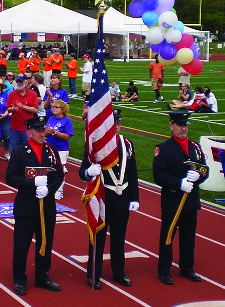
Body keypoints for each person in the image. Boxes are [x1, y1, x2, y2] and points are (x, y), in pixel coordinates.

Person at [79, 108, 139, 289]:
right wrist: (88, 172)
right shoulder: (96, 147)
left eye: (118, 124)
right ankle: (94, 273)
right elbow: (82, 171)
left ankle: (118, 271)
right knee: (98, 237)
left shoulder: (127, 144)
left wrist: (134, 197)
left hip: (123, 197)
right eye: (112, 124)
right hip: (104, 197)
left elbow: (133, 173)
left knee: (119, 237)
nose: (116, 127)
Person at [6, 116, 65, 296]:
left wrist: (50, 189)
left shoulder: (52, 150)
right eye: (38, 131)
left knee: (45, 243)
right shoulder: (19, 152)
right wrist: (31, 183)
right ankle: (19, 278)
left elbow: (59, 175)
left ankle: (42, 276)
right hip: (26, 206)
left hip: (46, 205)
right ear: (29, 132)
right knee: (22, 244)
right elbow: (10, 177)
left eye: (43, 130)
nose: (42, 134)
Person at [153, 111, 209, 285]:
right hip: (172, 200)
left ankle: (187, 268)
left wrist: (198, 176)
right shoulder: (163, 148)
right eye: (179, 125)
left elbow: (204, 169)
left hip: (191, 200)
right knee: (168, 235)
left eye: (185, 126)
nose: (183, 129)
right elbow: (158, 175)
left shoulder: (195, 147)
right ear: (171, 126)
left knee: (188, 235)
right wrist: (179, 183)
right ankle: (164, 269)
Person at [45, 100, 73, 200]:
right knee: (49, 169)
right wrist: (47, 132)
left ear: (63, 109)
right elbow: (45, 133)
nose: (54, 108)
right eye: (53, 107)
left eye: (57, 107)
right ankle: (50, 188)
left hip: (61, 148)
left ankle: (59, 191)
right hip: (50, 147)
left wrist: (55, 132)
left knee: (60, 170)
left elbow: (67, 136)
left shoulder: (67, 121)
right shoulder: (51, 119)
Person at [7, 73, 39, 151]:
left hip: (27, 128)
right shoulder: (12, 93)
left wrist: (23, 107)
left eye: (20, 81)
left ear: (25, 82)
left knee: (27, 149)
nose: (18, 83)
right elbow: (7, 108)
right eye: (17, 81)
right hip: (14, 127)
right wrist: (12, 109)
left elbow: (35, 109)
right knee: (14, 150)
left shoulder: (33, 94)